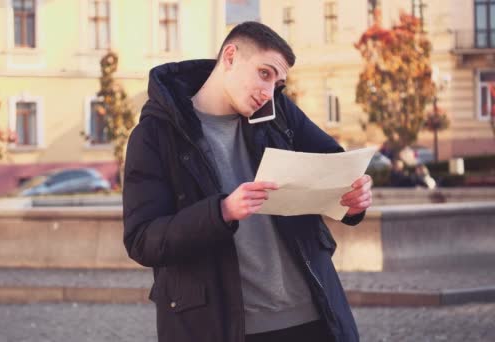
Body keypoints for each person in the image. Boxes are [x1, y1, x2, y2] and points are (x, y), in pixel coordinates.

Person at [123, 22, 372, 342]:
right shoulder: (155, 135)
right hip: (222, 326)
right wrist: (221, 211)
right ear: (230, 56)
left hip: (313, 315)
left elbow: (336, 170)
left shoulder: (278, 111)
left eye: (278, 83)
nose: (268, 92)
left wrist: (353, 199)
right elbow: (143, 239)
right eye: (264, 74)